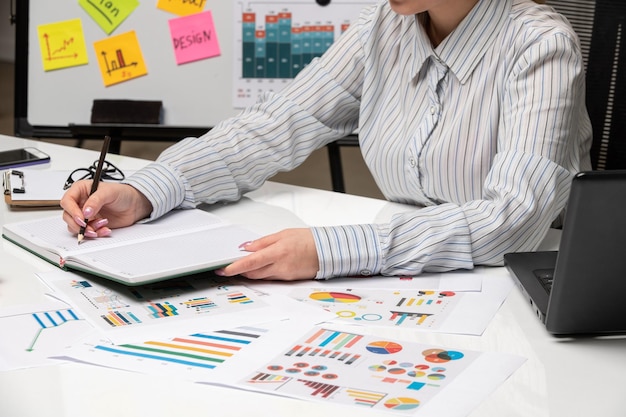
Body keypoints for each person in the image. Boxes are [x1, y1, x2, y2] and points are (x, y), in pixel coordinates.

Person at [61, 0, 592, 281]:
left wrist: (334, 249)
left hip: (521, 281)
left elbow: (514, 218)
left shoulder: (540, 45)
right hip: (412, 277)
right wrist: (149, 188)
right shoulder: (382, 29)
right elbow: (274, 125)